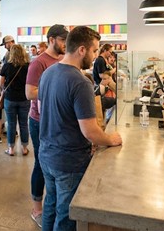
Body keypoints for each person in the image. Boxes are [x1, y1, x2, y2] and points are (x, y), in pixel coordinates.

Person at [38, 26, 123, 230]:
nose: (95, 57)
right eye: (94, 51)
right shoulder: (80, 82)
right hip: (69, 160)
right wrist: (111, 139)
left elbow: (42, 110)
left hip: (46, 154)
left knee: (50, 204)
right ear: (82, 50)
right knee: (66, 216)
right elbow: (90, 131)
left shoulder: (48, 72)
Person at [25, 24, 67, 227]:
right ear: (51, 40)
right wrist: (55, 92)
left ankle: (51, 205)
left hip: (58, 120)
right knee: (40, 164)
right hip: (39, 121)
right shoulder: (38, 63)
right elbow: (30, 93)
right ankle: (37, 208)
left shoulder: (63, 61)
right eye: (62, 40)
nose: (65, 44)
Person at [0, 44, 30, 156]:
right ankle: (25, 148)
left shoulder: (6, 66)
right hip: (24, 99)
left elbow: (0, 83)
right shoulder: (27, 66)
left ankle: (11, 149)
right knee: (24, 124)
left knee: (11, 124)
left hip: (10, 99)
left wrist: (5, 90)